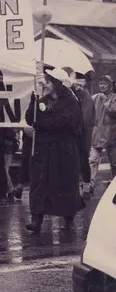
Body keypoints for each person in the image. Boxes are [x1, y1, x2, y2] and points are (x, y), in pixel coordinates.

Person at [24, 67, 85, 233]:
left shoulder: (71, 102)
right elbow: (30, 119)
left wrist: (41, 124)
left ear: (57, 84)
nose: (46, 85)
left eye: (49, 82)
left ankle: (68, 217)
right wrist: (33, 101)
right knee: (40, 183)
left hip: (63, 151)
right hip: (44, 150)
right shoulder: (42, 100)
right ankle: (36, 219)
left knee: (64, 184)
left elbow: (62, 122)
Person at [61, 67, 94, 196]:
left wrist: (74, 127)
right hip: (73, 133)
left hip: (82, 134)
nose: (77, 87)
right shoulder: (72, 94)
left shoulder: (86, 97)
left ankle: (86, 185)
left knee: (82, 159)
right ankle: (72, 186)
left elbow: (86, 118)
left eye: (79, 85)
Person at [89, 74, 116, 193]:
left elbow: (113, 112)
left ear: (110, 85)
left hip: (112, 135)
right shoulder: (95, 97)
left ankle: (114, 185)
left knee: (114, 162)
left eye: (105, 83)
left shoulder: (114, 97)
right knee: (93, 160)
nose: (102, 86)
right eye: (101, 83)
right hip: (97, 134)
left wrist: (106, 101)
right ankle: (90, 184)